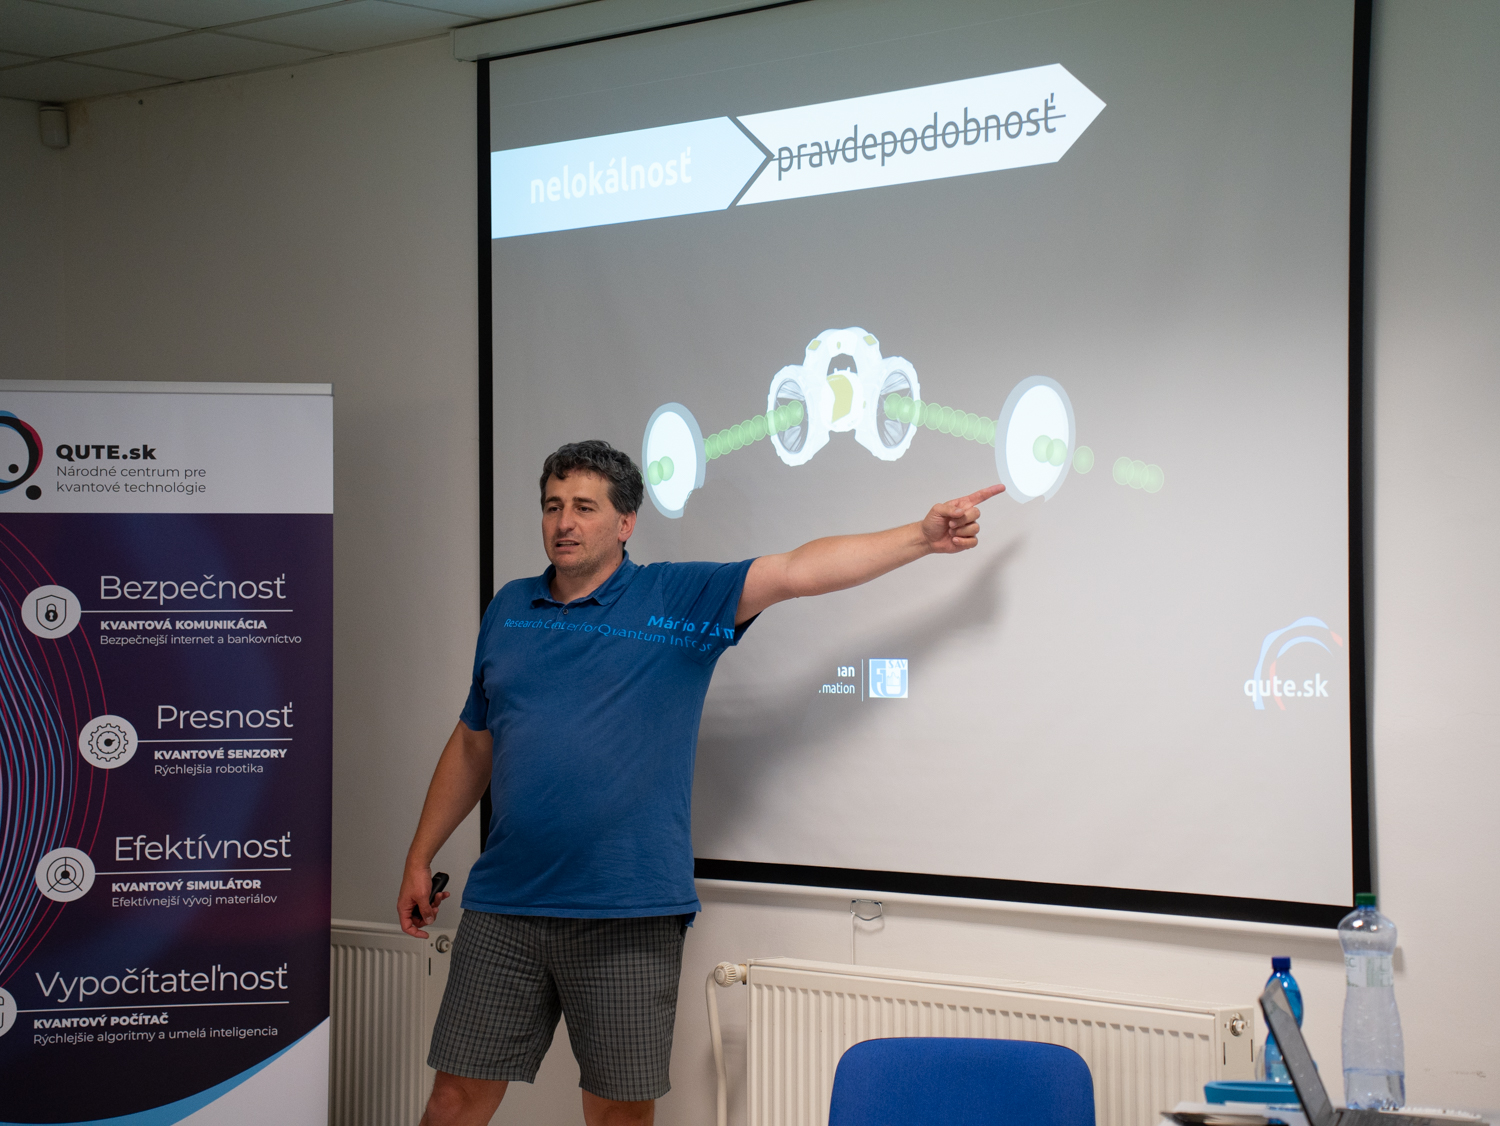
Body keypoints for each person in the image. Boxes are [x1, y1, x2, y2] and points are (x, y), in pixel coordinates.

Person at [398, 440, 1003, 1126]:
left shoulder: (675, 599)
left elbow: (798, 570)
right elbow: (473, 741)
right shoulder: (510, 607)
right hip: (506, 906)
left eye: (585, 507)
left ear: (625, 522)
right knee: (453, 1101)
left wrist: (921, 536)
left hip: (627, 913)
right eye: (552, 506)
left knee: (619, 1114)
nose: (564, 522)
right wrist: (420, 855)